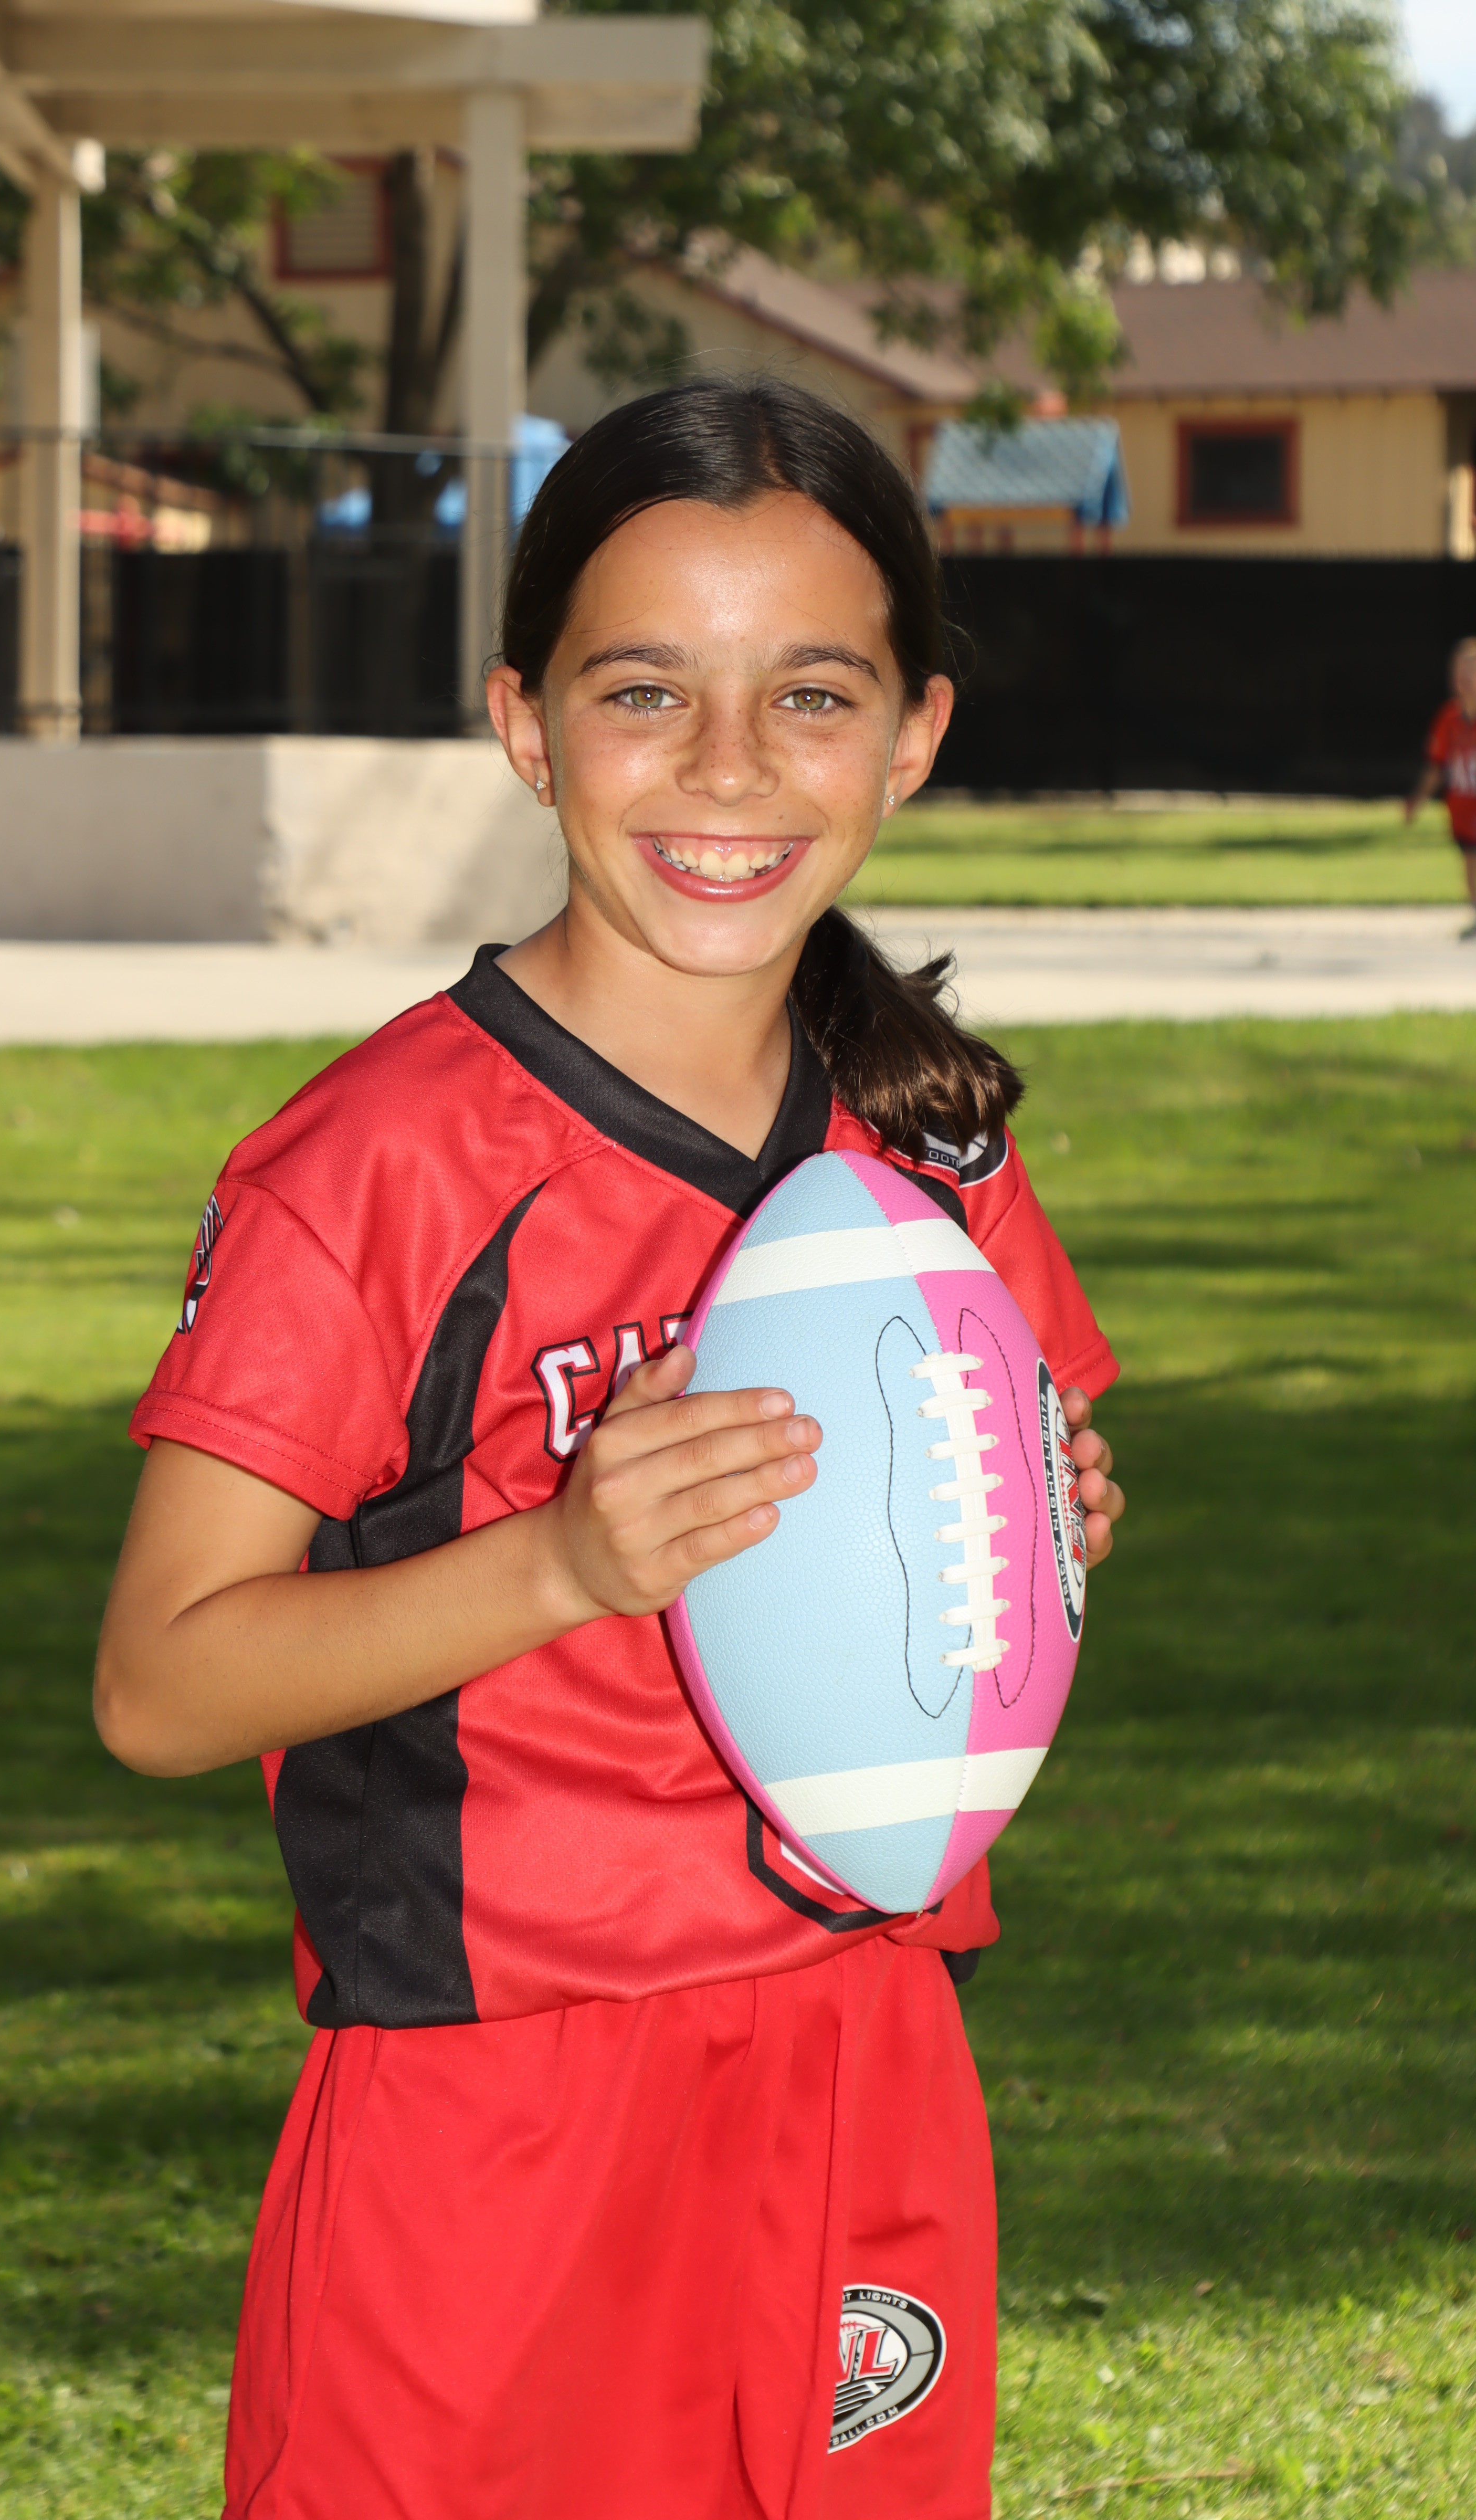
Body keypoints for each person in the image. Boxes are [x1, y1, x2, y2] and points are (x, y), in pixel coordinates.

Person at [94, 379, 1126, 2520]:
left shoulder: (929, 1142)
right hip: (493, 2105)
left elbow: (966, 1564)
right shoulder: (373, 1168)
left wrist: (1040, 1524)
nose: (729, 767)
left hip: (861, 2056)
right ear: (525, 724)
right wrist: (559, 1566)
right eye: (644, 690)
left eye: (811, 694)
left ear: (914, 735)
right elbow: (161, 1686)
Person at [1405, 633, 1476, 939]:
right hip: (1462, 808)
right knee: (1470, 861)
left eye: (1471, 672)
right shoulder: (1448, 719)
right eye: (1459, 672)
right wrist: (1417, 799)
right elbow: (1437, 766)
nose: (1465, 679)